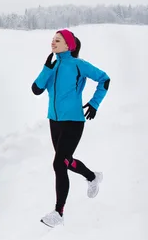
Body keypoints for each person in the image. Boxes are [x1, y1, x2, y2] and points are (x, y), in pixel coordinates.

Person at [31, 29, 110, 228]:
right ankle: (93, 177)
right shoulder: (53, 66)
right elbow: (36, 89)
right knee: (65, 161)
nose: (53, 43)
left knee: (59, 163)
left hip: (74, 121)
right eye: (52, 40)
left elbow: (104, 79)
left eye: (57, 40)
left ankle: (59, 212)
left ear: (68, 45)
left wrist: (94, 103)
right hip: (54, 122)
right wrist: (46, 69)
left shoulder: (78, 65)